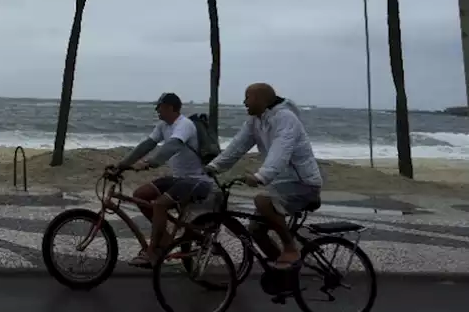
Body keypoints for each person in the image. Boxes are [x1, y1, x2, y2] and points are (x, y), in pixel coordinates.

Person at [205, 82, 323, 268]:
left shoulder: (285, 118)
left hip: (303, 183)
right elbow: (237, 146)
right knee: (255, 230)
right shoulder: (255, 121)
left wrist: (262, 176)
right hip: (280, 185)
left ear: (261, 99)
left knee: (262, 200)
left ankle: (290, 248)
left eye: (248, 97)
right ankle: (284, 271)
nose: (244, 102)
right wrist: (213, 167)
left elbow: (281, 150)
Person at [110, 92, 214, 267]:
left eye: (159, 107)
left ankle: (153, 252)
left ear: (170, 107)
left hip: (197, 181)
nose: (157, 110)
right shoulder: (163, 126)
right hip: (178, 179)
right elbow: (146, 145)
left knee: (159, 204)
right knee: (140, 195)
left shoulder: (184, 125)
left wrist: (150, 163)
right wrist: (121, 165)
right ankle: (165, 241)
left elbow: (171, 147)